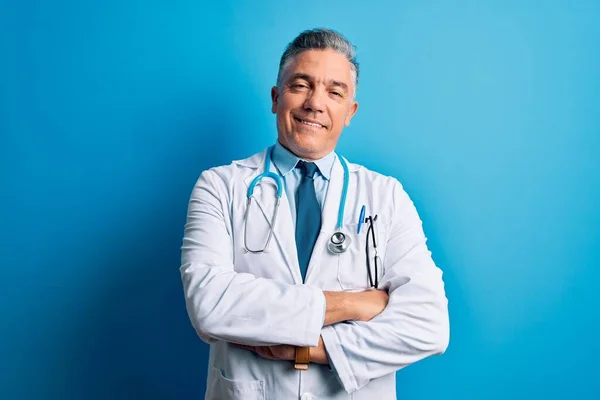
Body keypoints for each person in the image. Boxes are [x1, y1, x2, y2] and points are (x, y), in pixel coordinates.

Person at [180, 28, 450, 400]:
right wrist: (353, 304)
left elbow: (428, 325)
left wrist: (311, 350)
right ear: (276, 98)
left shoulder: (385, 196)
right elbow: (210, 305)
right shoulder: (220, 186)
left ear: (349, 112)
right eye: (301, 86)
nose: (315, 104)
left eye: (334, 92)